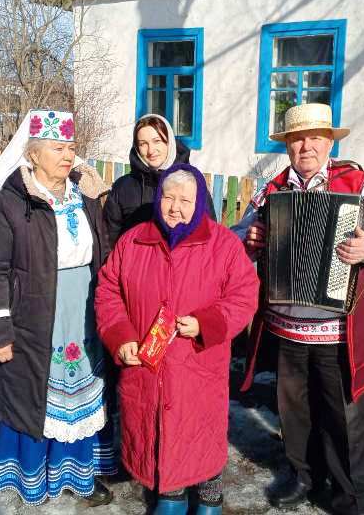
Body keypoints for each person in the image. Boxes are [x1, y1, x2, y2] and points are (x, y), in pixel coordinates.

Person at [233, 103, 364, 514]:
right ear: (288, 146)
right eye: (297, 139)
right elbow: (239, 234)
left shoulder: (356, 181)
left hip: (337, 326)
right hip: (286, 323)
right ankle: (304, 477)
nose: (305, 146)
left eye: (314, 138)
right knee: (294, 410)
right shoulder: (272, 190)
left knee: (346, 416)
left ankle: (353, 497)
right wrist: (250, 236)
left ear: (329, 142)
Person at [95, 163, 259, 515]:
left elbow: (245, 294)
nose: (174, 207)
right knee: (160, 433)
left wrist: (206, 323)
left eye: (185, 200)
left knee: (200, 431)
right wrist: (121, 336)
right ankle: (170, 496)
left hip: (199, 365)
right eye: (168, 197)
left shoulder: (223, 244)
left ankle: (209, 499)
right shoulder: (133, 241)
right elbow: (108, 291)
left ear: (198, 203)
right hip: (148, 367)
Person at [0, 110, 116, 506]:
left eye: (71, 147)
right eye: (57, 148)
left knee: (83, 391)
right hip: (36, 317)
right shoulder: (11, 203)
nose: (68, 155)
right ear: (33, 154)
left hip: (83, 311)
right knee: (36, 395)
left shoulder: (84, 197)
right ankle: (33, 477)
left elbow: (103, 254)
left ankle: (79, 473)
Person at [104, 114, 215, 246]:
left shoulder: (193, 184)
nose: (151, 150)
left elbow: (210, 232)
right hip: (133, 258)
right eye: (143, 144)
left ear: (169, 142)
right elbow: (108, 239)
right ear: (137, 148)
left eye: (157, 141)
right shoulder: (123, 187)